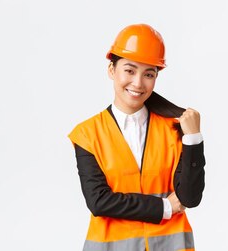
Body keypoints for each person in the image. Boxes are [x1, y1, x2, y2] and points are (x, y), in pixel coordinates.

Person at [68, 24, 206, 251]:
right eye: (130, 70)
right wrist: (165, 207)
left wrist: (194, 139)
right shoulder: (87, 134)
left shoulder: (175, 128)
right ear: (112, 70)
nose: (138, 83)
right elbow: (99, 201)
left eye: (149, 74)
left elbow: (190, 198)